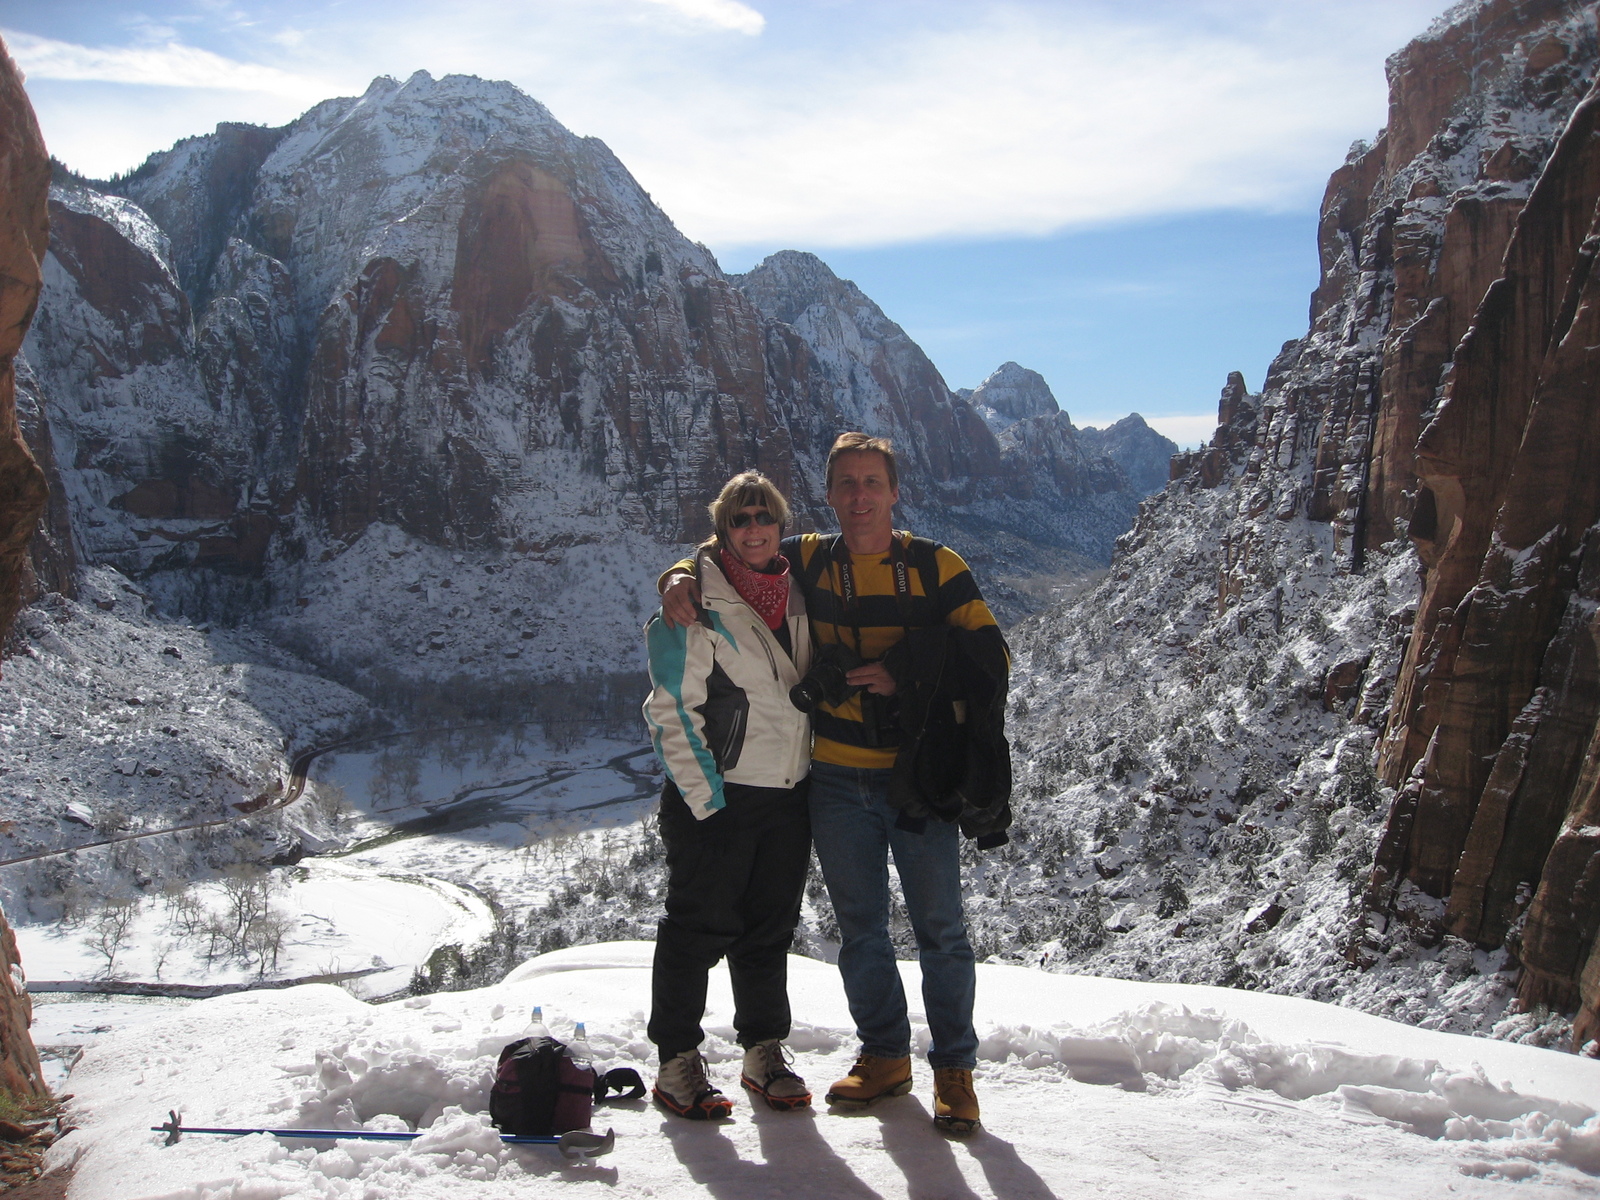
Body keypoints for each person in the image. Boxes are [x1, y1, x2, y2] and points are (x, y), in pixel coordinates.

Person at [659, 433, 1009, 1136]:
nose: (859, 495)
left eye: (872, 481)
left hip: (918, 780)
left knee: (942, 930)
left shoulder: (937, 565)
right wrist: (677, 575)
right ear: (828, 495)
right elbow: (732, 554)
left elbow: (992, 657)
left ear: (894, 490)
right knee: (861, 931)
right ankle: (884, 1055)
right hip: (836, 782)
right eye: (846, 483)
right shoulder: (809, 558)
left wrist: (906, 671)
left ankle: (954, 1071)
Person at [642, 471, 815, 1120]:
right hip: (718, 799)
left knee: (768, 931)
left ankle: (763, 1052)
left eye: (763, 515)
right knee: (696, 930)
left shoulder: (800, 589)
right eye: (739, 518)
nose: (753, 527)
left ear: (781, 523)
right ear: (722, 531)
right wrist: (705, 802)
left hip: (788, 796)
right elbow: (670, 710)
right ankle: (676, 1062)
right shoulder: (693, 604)